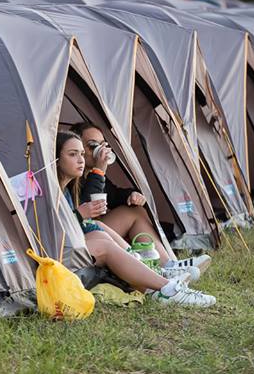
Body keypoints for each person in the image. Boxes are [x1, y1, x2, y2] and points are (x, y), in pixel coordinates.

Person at [56, 131, 215, 307]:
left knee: (102, 228)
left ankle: (159, 273)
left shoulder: (68, 186)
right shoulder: (49, 189)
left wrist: (129, 194)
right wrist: (81, 211)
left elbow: (112, 194)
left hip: (72, 241)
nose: (81, 159)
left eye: (81, 154)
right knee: (102, 241)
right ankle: (168, 288)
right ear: (55, 158)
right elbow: (51, 229)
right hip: (55, 253)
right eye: (73, 154)